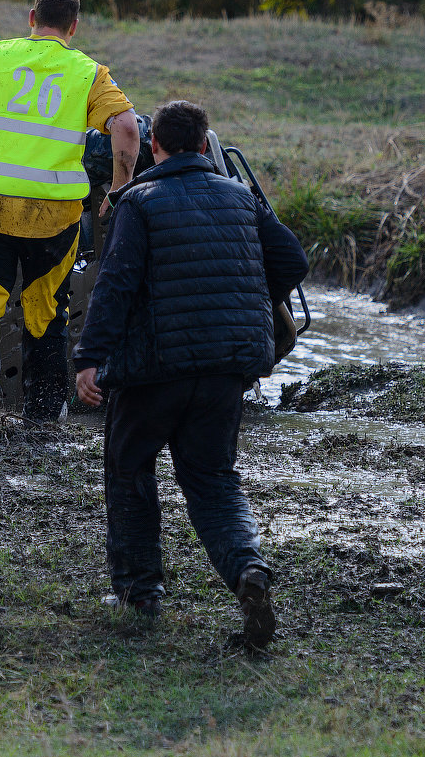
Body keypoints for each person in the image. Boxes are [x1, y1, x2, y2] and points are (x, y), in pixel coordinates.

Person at [71, 100, 309, 648]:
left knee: (129, 469)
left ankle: (139, 592)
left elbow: (117, 285)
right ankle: (248, 569)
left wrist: (89, 357)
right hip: (228, 368)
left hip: (154, 370)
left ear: (154, 148)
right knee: (212, 479)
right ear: (205, 146)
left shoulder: (139, 201)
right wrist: (244, 301)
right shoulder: (241, 197)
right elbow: (292, 262)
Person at [0, 0, 139, 423]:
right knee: (46, 309)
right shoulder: (89, 72)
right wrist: (118, 189)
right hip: (54, 216)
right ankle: (42, 411)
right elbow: (128, 129)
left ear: (31, 17)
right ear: (73, 26)